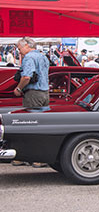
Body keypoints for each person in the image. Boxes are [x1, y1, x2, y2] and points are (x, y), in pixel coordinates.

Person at [13, 37, 50, 168]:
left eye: (19, 48)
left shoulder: (29, 57)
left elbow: (27, 76)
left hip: (33, 94)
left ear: (27, 46)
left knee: (30, 126)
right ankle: (40, 157)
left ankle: (30, 157)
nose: (19, 51)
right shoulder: (43, 57)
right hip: (45, 93)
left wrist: (18, 88)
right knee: (41, 127)